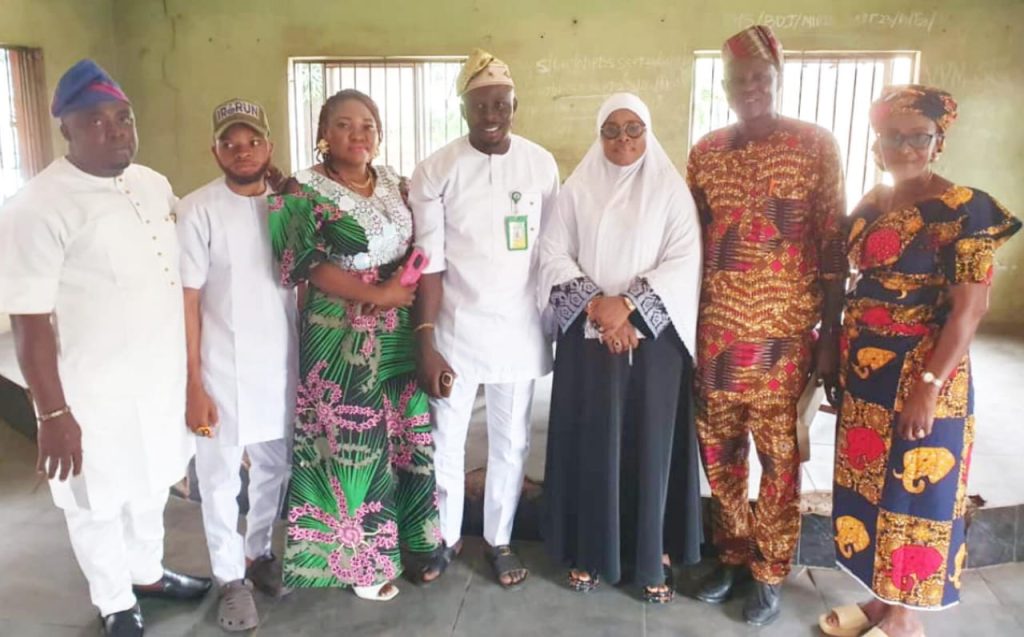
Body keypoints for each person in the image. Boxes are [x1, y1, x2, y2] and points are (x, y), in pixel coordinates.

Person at [0, 59, 211, 637]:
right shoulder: (35, 208)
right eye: (95, 121)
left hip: (157, 377)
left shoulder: (149, 182)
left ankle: (147, 573)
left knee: (149, 485)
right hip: (89, 393)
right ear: (65, 130)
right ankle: (115, 600)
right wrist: (52, 413)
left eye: (123, 116)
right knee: (94, 500)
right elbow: (30, 322)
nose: (116, 129)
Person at [820, 85, 1020, 637]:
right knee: (869, 485)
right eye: (893, 136)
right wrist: (835, 353)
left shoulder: (966, 211)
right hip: (868, 374)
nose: (905, 147)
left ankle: (905, 620)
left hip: (923, 371)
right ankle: (881, 601)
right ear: (876, 142)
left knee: (916, 492)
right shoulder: (873, 202)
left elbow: (969, 310)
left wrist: (929, 386)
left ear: (938, 142)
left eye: (918, 137)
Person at [686, 25, 847, 626]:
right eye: (738, 80)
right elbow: (691, 247)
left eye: (761, 78)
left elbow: (833, 245)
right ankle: (730, 556)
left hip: (785, 341)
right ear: (725, 87)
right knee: (720, 455)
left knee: (780, 462)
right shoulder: (706, 152)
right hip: (717, 337)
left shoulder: (815, 146)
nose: (750, 89)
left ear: (777, 80)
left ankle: (770, 571)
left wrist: (828, 339)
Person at [269, 89, 439, 602]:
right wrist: (376, 293)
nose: (358, 134)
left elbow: (424, 245)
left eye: (367, 124)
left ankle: (412, 540)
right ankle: (361, 566)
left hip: (394, 332)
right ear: (324, 132)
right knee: (354, 445)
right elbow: (300, 264)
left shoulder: (397, 183)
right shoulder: (301, 189)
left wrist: (398, 296)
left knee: (404, 434)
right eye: (344, 124)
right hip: (339, 331)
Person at [539, 93, 703, 603]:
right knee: (593, 442)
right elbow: (552, 253)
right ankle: (591, 550)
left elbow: (683, 260)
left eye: (633, 128)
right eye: (611, 129)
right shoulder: (577, 190)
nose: (623, 139)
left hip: (652, 347)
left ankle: (653, 556)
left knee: (649, 446)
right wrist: (598, 307)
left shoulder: (671, 192)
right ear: (598, 134)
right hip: (590, 344)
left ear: (648, 132)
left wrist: (629, 307)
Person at [410, 48, 560, 589]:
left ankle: (498, 539)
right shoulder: (435, 170)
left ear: (515, 105)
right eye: (481, 105)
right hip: (455, 328)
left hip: (519, 330)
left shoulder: (541, 165)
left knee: (512, 441)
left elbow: (549, 249)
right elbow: (429, 262)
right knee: (445, 438)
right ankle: (445, 538)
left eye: (502, 104)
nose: (492, 115)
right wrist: (426, 339)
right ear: (463, 108)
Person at [175, 98, 297, 631]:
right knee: (220, 477)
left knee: (275, 467)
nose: (242, 151)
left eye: (252, 142)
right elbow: (188, 299)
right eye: (230, 143)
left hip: (281, 365)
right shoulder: (198, 209)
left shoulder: (290, 205)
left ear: (269, 147)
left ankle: (258, 554)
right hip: (220, 368)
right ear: (215, 150)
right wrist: (192, 382)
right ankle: (230, 579)